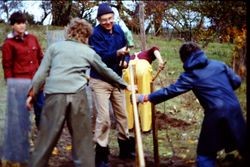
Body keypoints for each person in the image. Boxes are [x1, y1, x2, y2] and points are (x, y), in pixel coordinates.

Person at [26, 17, 132, 167]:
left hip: (54, 95)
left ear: (69, 32)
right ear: (87, 36)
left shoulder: (54, 48)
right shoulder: (88, 51)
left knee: (45, 139)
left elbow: (40, 74)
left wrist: (31, 95)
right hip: (77, 96)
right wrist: (124, 84)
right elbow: (105, 71)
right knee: (82, 140)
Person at [134, 42, 247, 167]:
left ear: (184, 59)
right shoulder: (219, 65)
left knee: (206, 154)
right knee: (243, 144)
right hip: (235, 108)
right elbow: (236, 82)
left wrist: (146, 97)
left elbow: (171, 91)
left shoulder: (190, 75)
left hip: (215, 113)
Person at [89, 3, 135, 167]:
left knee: (122, 115)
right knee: (104, 119)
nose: (108, 22)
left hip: (117, 79)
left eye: (110, 19)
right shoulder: (94, 34)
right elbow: (99, 59)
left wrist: (125, 60)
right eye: (104, 20)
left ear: (113, 17)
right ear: (98, 20)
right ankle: (101, 154)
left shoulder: (119, 30)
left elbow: (127, 52)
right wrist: (117, 54)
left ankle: (125, 148)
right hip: (100, 80)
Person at [1, 11, 44, 166]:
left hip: (37, 83)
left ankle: (43, 143)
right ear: (12, 25)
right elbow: (7, 67)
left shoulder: (33, 39)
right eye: (18, 23)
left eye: (23, 22)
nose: (21, 25)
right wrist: (12, 86)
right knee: (21, 118)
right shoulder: (8, 44)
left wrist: (43, 78)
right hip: (20, 85)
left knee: (42, 112)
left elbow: (41, 58)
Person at [123, 46, 164, 132]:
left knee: (129, 98)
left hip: (128, 69)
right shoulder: (146, 53)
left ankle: (129, 126)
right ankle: (146, 127)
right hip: (143, 68)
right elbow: (155, 49)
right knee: (145, 96)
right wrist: (160, 61)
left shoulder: (130, 57)